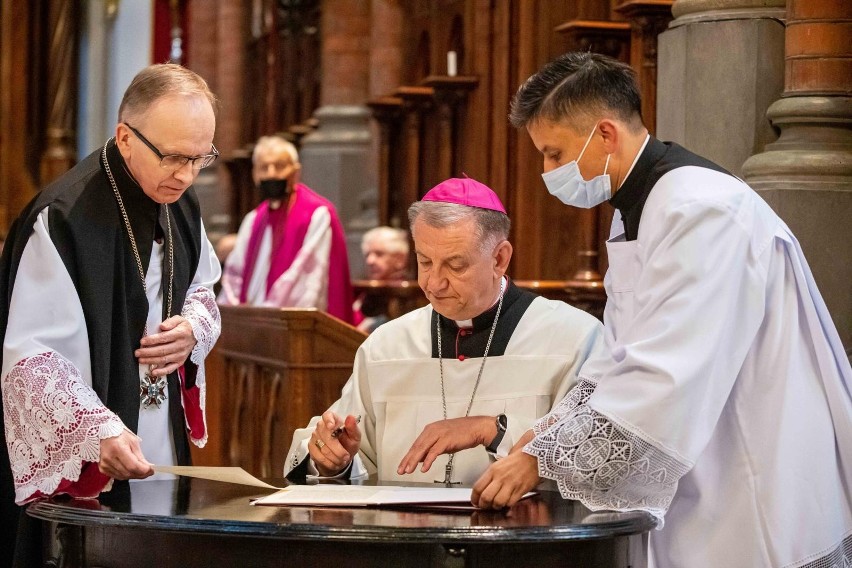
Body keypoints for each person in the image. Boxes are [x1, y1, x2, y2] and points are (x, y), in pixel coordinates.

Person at [471, 52, 852, 568]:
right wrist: (553, 431)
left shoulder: (699, 209)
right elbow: (619, 352)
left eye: (554, 153)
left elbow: (667, 371)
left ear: (604, 134)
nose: (548, 172)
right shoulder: (641, 209)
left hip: (751, 463)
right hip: (707, 463)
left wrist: (546, 460)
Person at [0, 63, 222, 566]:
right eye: (172, 157)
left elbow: (204, 286)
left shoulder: (182, 204)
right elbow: (31, 357)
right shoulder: (63, 218)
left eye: (200, 157)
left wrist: (193, 328)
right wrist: (97, 428)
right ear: (125, 138)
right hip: (92, 450)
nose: (186, 175)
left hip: (158, 435)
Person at [284, 177, 605, 486]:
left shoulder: (573, 339)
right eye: (425, 262)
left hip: (517, 538)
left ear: (499, 259)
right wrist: (333, 459)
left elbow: (597, 462)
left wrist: (494, 431)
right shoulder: (386, 346)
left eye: (455, 265)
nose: (433, 283)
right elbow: (348, 458)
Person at [217, 135, 355, 323]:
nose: (271, 174)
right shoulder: (253, 220)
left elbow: (307, 279)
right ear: (255, 175)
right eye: (264, 168)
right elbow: (235, 276)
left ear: (296, 172)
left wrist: (267, 315)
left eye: (280, 166)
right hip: (255, 324)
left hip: (290, 324)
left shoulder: (316, 214)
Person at [353, 226, 410, 333]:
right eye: (367, 255)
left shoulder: (408, 295)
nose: (370, 261)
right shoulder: (364, 291)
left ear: (400, 259)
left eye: (379, 254)